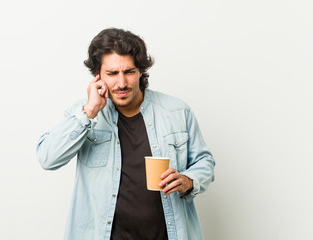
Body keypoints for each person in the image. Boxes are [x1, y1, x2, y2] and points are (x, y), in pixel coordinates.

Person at [37, 28, 215, 240]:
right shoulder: (84, 113)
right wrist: (89, 111)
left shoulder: (177, 111)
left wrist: (188, 180)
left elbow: (204, 162)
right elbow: (48, 158)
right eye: (112, 74)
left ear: (141, 71)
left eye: (129, 72)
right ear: (98, 76)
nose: (121, 83)